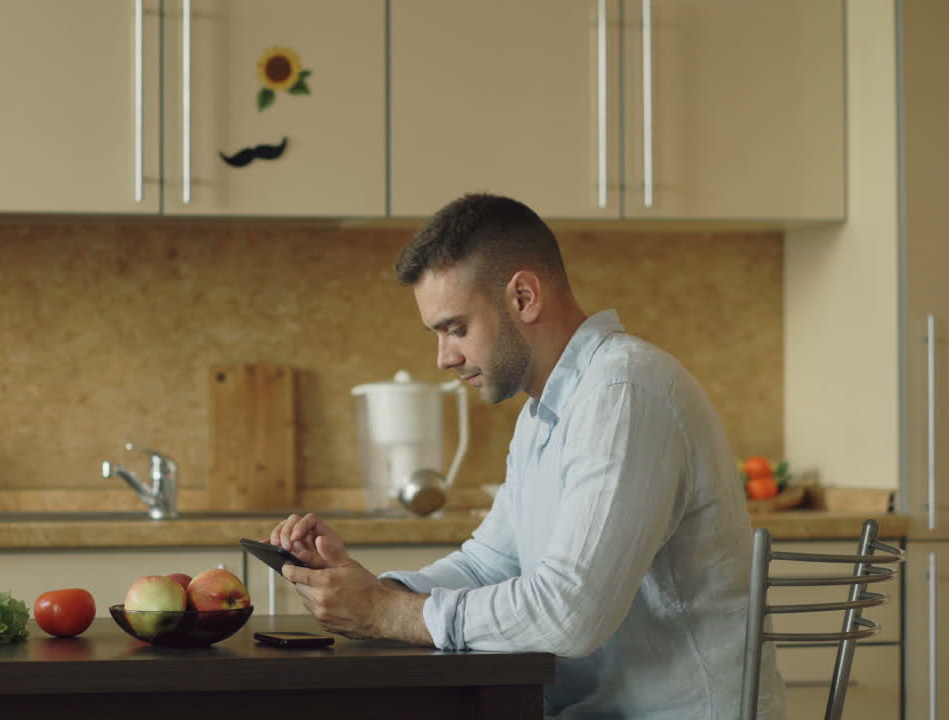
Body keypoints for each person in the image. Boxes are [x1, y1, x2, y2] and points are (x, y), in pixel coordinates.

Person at [267, 193, 786, 718]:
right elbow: (490, 563)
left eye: (455, 328)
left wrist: (386, 614)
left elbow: (569, 612)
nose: (445, 357)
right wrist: (369, 590)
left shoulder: (624, 393)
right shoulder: (545, 413)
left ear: (523, 297)